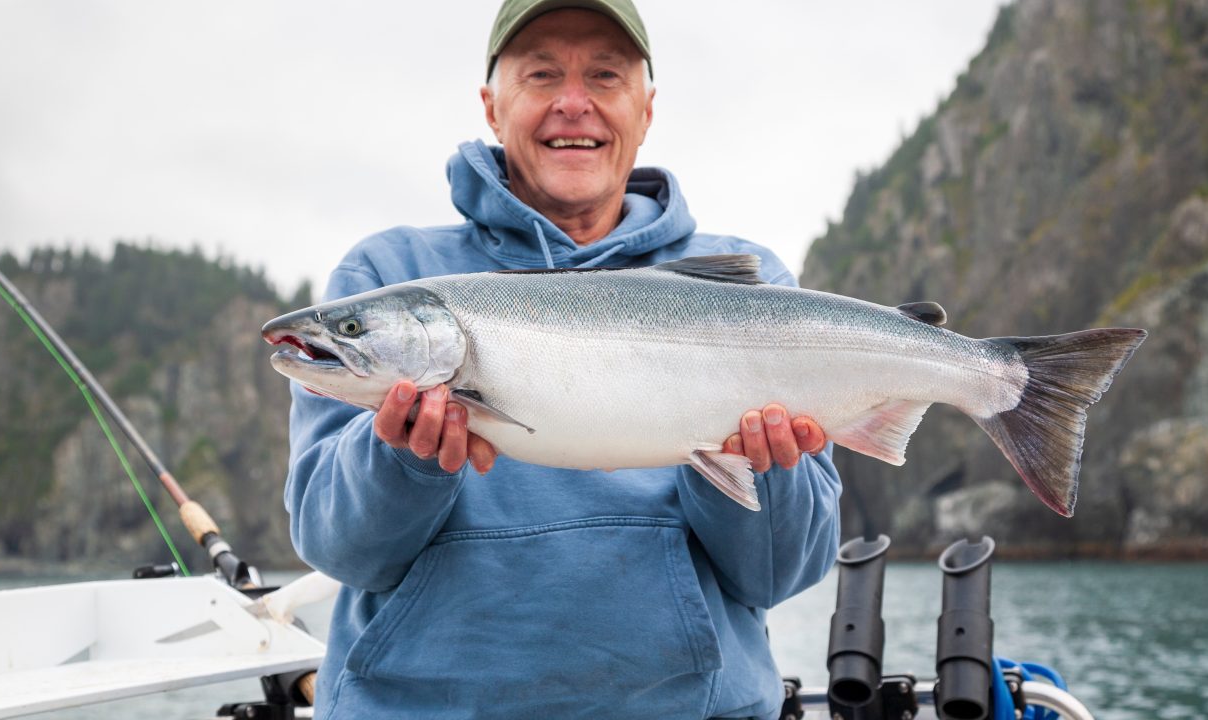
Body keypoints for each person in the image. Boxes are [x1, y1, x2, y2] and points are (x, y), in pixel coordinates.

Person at [284, 1, 841, 717]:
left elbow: (779, 572)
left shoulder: (752, 285)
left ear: (646, 109)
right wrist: (402, 460)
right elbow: (341, 551)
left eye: (605, 76)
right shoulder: (388, 271)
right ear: (492, 105)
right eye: (542, 74)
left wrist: (764, 468)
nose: (572, 104)